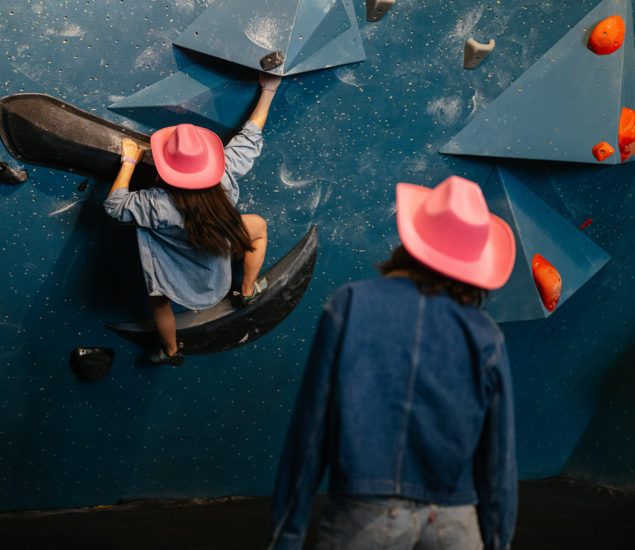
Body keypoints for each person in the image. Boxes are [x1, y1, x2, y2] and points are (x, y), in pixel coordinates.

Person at [265, 176, 518, 550]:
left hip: (365, 512)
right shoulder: (485, 335)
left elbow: (310, 430)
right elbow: (499, 457)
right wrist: (498, 540)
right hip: (455, 521)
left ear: (412, 240)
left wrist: (285, 537)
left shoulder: (351, 305)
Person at [103, 72, 281, 365]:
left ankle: (170, 352)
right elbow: (251, 135)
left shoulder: (156, 203)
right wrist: (268, 90)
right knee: (258, 227)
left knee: (159, 303)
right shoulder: (223, 175)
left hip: (173, 273)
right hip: (214, 253)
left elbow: (115, 205)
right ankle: (248, 290)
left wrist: (129, 161)